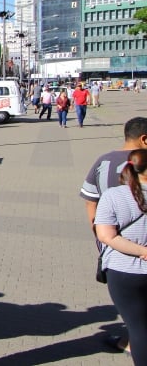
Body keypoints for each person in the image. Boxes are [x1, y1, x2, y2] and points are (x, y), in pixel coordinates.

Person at [80, 117, 147, 356]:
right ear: (144, 139)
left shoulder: (103, 162)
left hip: (119, 255)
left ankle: (130, 343)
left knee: (136, 319)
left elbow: (90, 202)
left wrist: (101, 238)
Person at [95, 148, 147, 365]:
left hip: (124, 271)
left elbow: (106, 236)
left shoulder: (113, 196)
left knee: (138, 328)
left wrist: (142, 251)